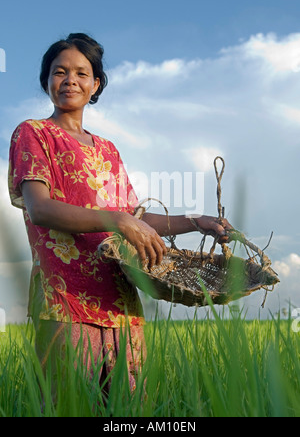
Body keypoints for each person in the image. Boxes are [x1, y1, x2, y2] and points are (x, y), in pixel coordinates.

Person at [8, 33, 231, 393]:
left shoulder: (108, 150)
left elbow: (134, 215)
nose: (69, 81)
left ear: (95, 84)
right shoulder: (34, 134)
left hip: (121, 300)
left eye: (81, 73)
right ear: (46, 80)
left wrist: (196, 222)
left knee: (128, 409)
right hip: (65, 297)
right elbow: (40, 208)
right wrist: (118, 220)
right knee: (70, 404)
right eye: (59, 71)